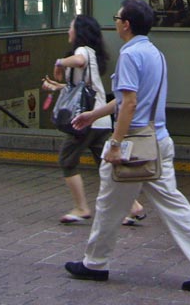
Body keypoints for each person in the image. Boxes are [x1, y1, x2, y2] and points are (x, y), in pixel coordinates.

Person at [64, 0, 190, 292]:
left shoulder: (128, 55)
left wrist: (115, 144)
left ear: (126, 25)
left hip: (132, 145)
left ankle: (94, 263)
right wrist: (93, 114)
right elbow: (126, 100)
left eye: (117, 17)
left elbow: (129, 104)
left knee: (109, 205)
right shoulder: (154, 53)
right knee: (173, 203)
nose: (114, 22)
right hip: (159, 141)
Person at [41, 14, 145, 225]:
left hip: (86, 121)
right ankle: (133, 206)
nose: (68, 32)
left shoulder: (81, 52)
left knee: (67, 160)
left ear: (79, 32)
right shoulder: (92, 53)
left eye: (70, 28)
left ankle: (81, 207)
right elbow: (81, 88)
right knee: (107, 165)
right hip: (101, 121)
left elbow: (78, 61)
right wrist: (57, 86)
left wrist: (59, 62)